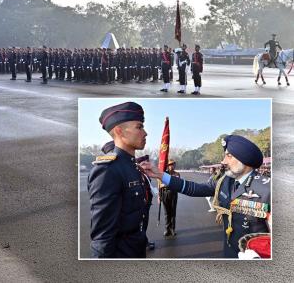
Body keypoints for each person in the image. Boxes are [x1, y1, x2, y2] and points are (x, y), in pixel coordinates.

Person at [141, 135, 271, 258]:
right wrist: (160, 175)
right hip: (229, 253)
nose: (223, 161)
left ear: (244, 160)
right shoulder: (224, 181)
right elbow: (195, 188)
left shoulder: (268, 190)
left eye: (229, 156)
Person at [87, 102, 155, 258]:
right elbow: (102, 238)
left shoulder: (133, 166)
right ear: (119, 131)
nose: (145, 133)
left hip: (137, 249)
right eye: (139, 127)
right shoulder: (107, 170)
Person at [159, 159, 179, 237]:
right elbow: (160, 185)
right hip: (165, 194)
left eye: (173, 164)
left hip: (173, 194)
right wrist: (159, 196)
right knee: (166, 213)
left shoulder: (177, 174)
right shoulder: (164, 174)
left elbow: (176, 184)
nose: (172, 166)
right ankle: (167, 228)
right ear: (168, 166)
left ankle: (172, 229)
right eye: (170, 165)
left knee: (173, 213)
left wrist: (166, 184)